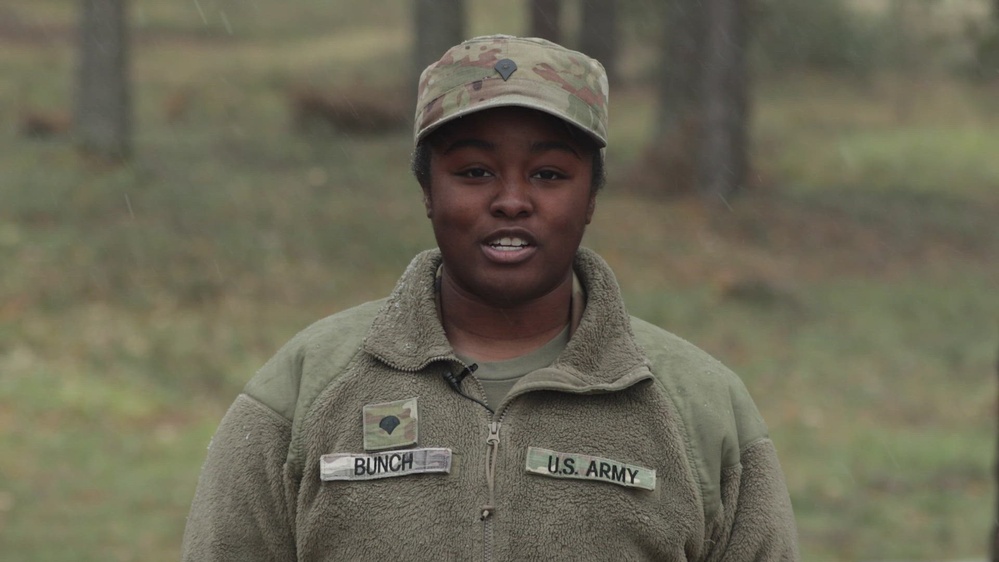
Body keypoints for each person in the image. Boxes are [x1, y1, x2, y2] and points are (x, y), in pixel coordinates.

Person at [182, 35, 799, 560]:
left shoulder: (698, 406)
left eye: (549, 174)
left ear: (591, 198)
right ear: (427, 190)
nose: (511, 200)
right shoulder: (305, 388)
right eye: (474, 171)